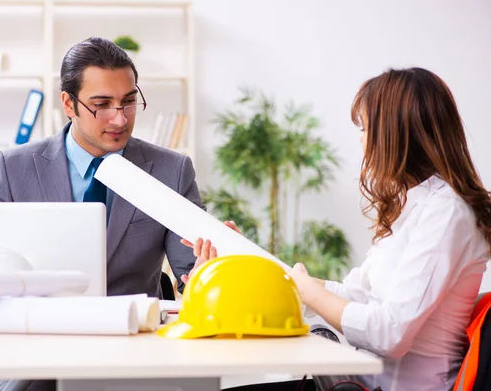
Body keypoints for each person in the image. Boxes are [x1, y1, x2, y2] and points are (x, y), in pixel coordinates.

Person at [188, 67, 491, 391]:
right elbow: (356, 294)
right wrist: (251, 259)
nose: (360, 140)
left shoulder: (446, 213)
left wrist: (306, 289)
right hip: (362, 381)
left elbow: (389, 334)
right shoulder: (416, 206)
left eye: (364, 128)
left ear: (395, 134)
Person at [0, 36, 207, 391]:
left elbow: (192, 273)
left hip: (136, 348)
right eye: (102, 105)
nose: (120, 118)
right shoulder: (13, 169)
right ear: (69, 104)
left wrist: (211, 269)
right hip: (42, 346)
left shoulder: (170, 171)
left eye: (129, 102)